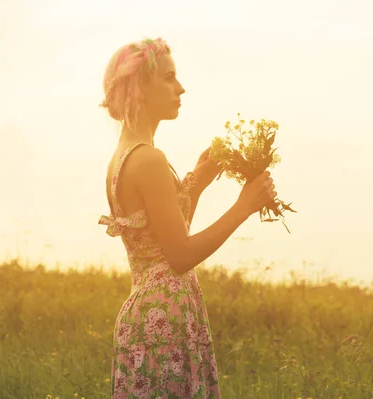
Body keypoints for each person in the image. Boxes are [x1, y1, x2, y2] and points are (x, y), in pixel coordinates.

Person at [98, 37, 277, 399]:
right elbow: (179, 255)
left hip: (150, 315)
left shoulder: (124, 157)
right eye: (169, 78)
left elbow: (161, 236)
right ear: (142, 88)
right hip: (164, 320)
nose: (180, 88)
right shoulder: (149, 160)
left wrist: (198, 177)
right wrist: (244, 205)